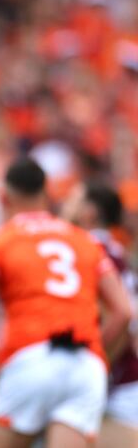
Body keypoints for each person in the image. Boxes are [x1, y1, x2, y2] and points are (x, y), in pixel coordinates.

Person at [0, 158, 133, 448]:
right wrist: (97, 355)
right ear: (47, 195)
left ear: (3, 198)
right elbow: (123, 311)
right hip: (85, 365)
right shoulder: (86, 242)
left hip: (31, 357)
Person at [62, 182, 138, 448]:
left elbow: (122, 316)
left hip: (117, 383)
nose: (65, 205)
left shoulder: (90, 250)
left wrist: (95, 366)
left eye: (73, 199)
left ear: (90, 211)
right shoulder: (113, 249)